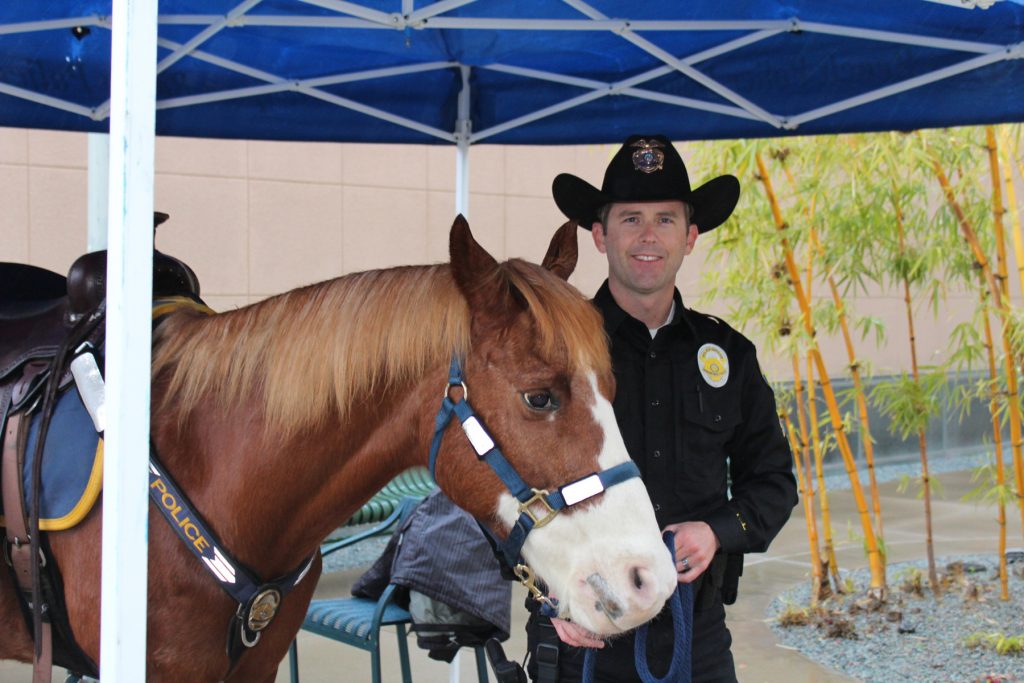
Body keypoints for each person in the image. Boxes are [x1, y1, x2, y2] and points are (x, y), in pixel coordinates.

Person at [523, 135, 799, 683]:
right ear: (600, 235)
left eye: (666, 219)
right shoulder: (551, 352)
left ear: (690, 236)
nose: (648, 236)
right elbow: (493, 486)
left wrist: (718, 530)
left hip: (694, 641)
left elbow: (773, 481)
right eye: (630, 219)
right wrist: (549, 589)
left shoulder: (730, 356)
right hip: (579, 636)